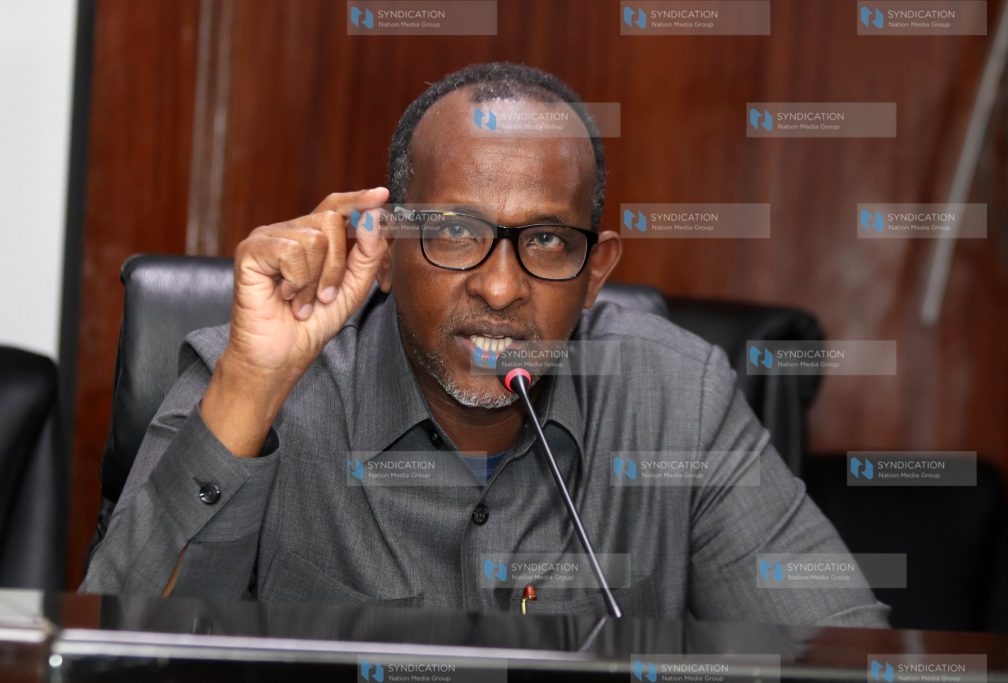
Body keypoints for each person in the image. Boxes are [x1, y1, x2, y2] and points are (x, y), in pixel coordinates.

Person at [82, 62, 888, 626]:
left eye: (544, 240)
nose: (500, 288)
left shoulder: (680, 399)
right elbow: (112, 651)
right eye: (457, 232)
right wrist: (250, 386)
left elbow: (837, 647)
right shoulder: (263, 380)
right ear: (389, 251)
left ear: (595, 270)